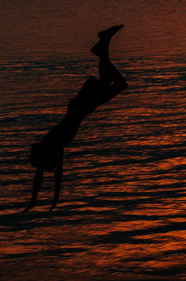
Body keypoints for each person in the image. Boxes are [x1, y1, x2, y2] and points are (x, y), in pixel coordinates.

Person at [24, 25, 128, 213]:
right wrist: (46, 199)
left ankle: (102, 46)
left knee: (119, 83)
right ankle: (102, 46)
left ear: (46, 159)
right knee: (110, 80)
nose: (55, 166)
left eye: (50, 164)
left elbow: (52, 174)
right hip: (82, 106)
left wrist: (46, 197)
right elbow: (50, 174)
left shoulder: (53, 144)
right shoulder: (53, 145)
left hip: (82, 105)